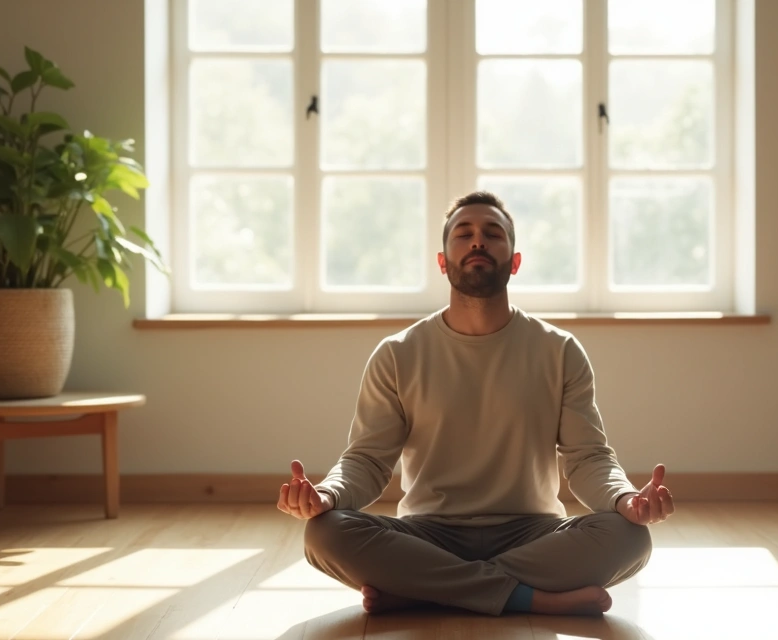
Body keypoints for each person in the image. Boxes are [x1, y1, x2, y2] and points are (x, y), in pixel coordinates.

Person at [277, 191, 674, 617]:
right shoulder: (397, 353)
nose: (478, 241)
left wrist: (625, 499)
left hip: (533, 533)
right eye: (463, 234)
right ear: (442, 261)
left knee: (630, 537)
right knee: (324, 533)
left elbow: (588, 458)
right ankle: (528, 598)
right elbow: (367, 461)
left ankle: (424, 589)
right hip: (428, 534)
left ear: (515, 262)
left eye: (493, 234)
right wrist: (327, 494)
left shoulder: (559, 350)